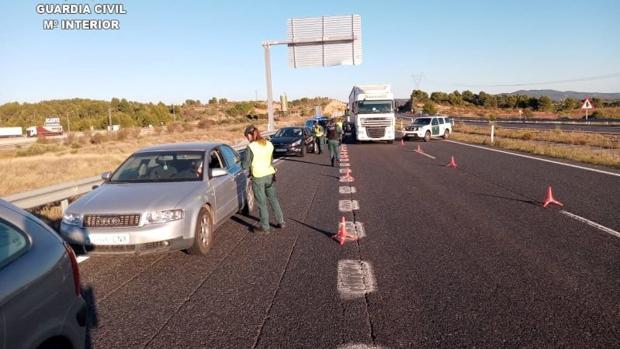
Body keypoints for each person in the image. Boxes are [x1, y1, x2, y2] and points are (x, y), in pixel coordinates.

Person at [242, 125, 285, 234]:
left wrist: (240, 162)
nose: (247, 139)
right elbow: (271, 160)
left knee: (262, 203)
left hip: (258, 177)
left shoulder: (251, 147)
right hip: (270, 175)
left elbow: (245, 165)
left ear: (249, 135)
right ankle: (281, 221)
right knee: (273, 199)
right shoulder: (268, 144)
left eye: (247, 137)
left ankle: (265, 227)